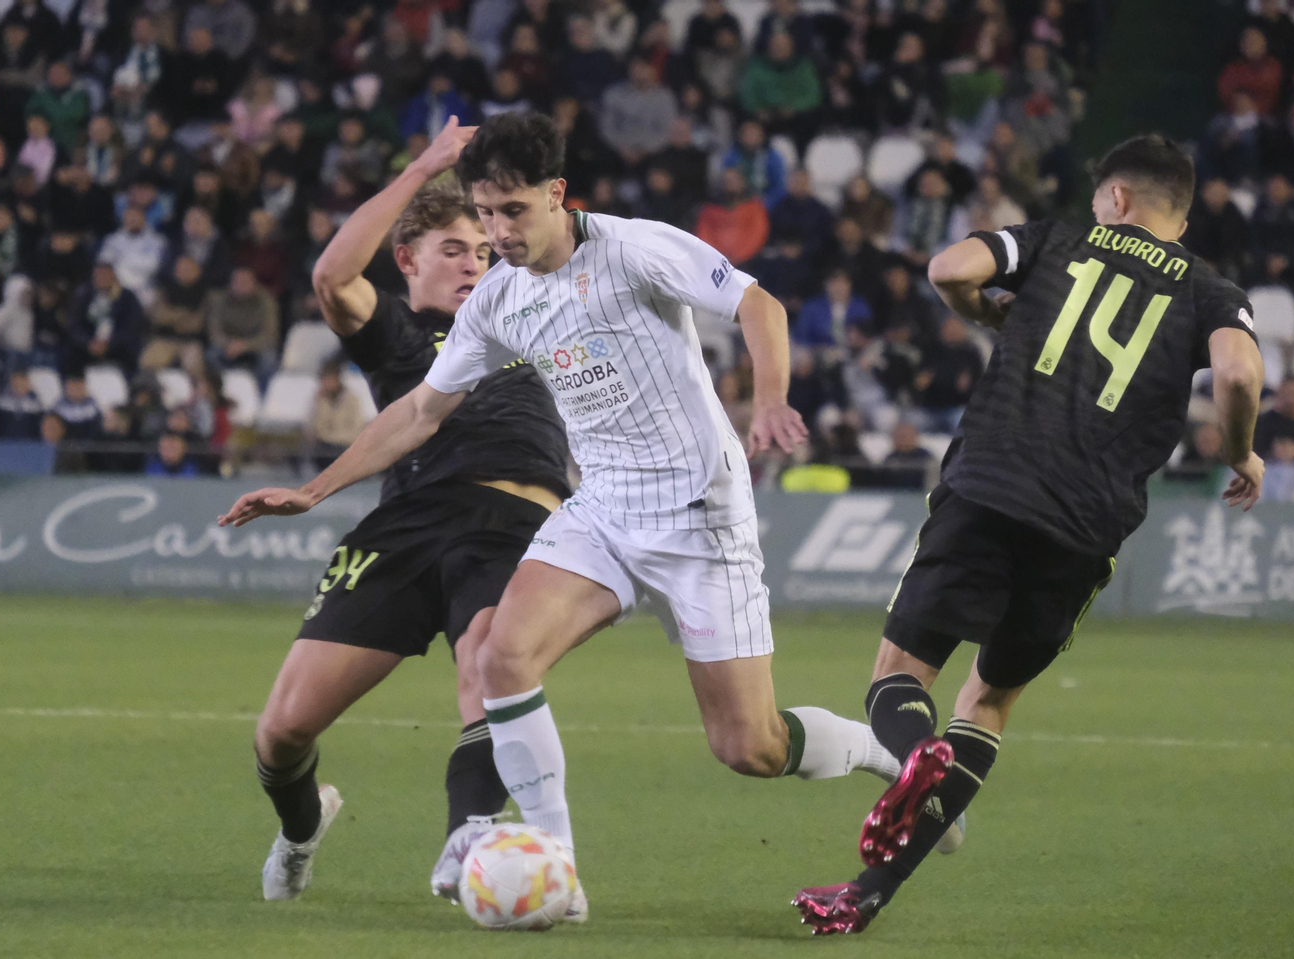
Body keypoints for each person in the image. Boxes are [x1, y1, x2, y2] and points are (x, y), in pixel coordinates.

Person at [219, 112, 909, 911]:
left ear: (556, 194)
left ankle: (885, 757)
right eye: (485, 213)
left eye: (513, 211)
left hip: (698, 513)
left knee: (748, 745)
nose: (498, 233)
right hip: (602, 507)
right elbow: (419, 412)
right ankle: (558, 867)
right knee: (501, 658)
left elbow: (760, 305)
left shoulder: (635, 247)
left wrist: (772, 398)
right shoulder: (499, 299)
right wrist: (314, 489)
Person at [792, 134, 1265, 934]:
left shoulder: (1056, 240)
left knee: (897, 678)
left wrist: (984, 311)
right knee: (988, 701)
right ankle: (869, 890)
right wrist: (1242, 449)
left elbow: (949, 268)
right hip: (1086, 523)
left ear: (1117, 198)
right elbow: (1242, 372)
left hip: (990, 482)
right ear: (1179, 216)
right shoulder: (1212, 292)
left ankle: (913, 755)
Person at [214, 121, 576, 908]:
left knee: (489, 662)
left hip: (513, 522)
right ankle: (302, 826)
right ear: (407, 260)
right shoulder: (398, 333)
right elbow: (332, 273)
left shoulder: (528, 315)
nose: (474, 263)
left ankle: (469, 835)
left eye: (481, 251)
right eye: (453, 250)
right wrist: (424, 167)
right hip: (406, 527)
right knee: (282, 731)